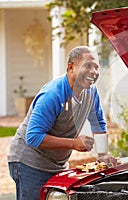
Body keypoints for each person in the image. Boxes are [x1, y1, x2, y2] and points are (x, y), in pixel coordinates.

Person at [7, 46, 112, 200]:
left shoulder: (91, 92)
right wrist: (74, 144)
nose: (94, 72)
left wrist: (103, 154)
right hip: (28, 161)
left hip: (58, 163)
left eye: (96, 67)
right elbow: (33, 137)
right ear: (71, 68)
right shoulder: (53, 94)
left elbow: (98, 123)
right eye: (87, 66)